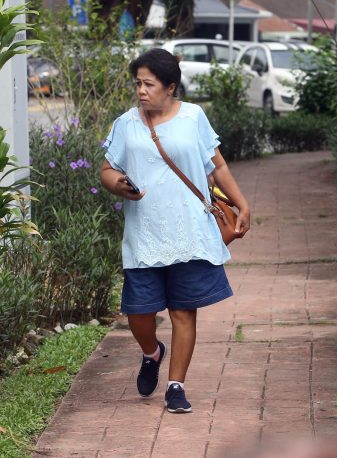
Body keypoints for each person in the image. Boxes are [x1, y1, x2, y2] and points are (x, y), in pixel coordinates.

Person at [100, 48, 251, 413]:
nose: (140, 91)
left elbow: (217, 166)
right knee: (138, 312)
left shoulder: (193, 118)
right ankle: (151, 352)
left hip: (190, 233)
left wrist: (241, 202)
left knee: (184, 311)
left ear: (170, 87)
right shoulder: (126, 124)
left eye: (148, 84)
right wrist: (118, 183)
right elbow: (107, 169)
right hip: (144, 235)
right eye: (137, 83)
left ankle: (176, 385)